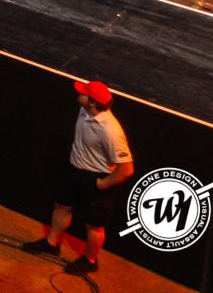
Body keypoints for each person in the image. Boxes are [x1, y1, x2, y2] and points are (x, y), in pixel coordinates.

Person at [23, 79, 134, 277]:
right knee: (62, 206)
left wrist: (102, 184)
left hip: (95, 178)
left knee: (93, 224)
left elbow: (126, 169)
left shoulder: (110, 131)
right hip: (74, 170)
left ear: (92, 102)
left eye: (83, 93)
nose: (79, 94)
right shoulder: (85, 110)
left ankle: (90, 260)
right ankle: (51, 243)